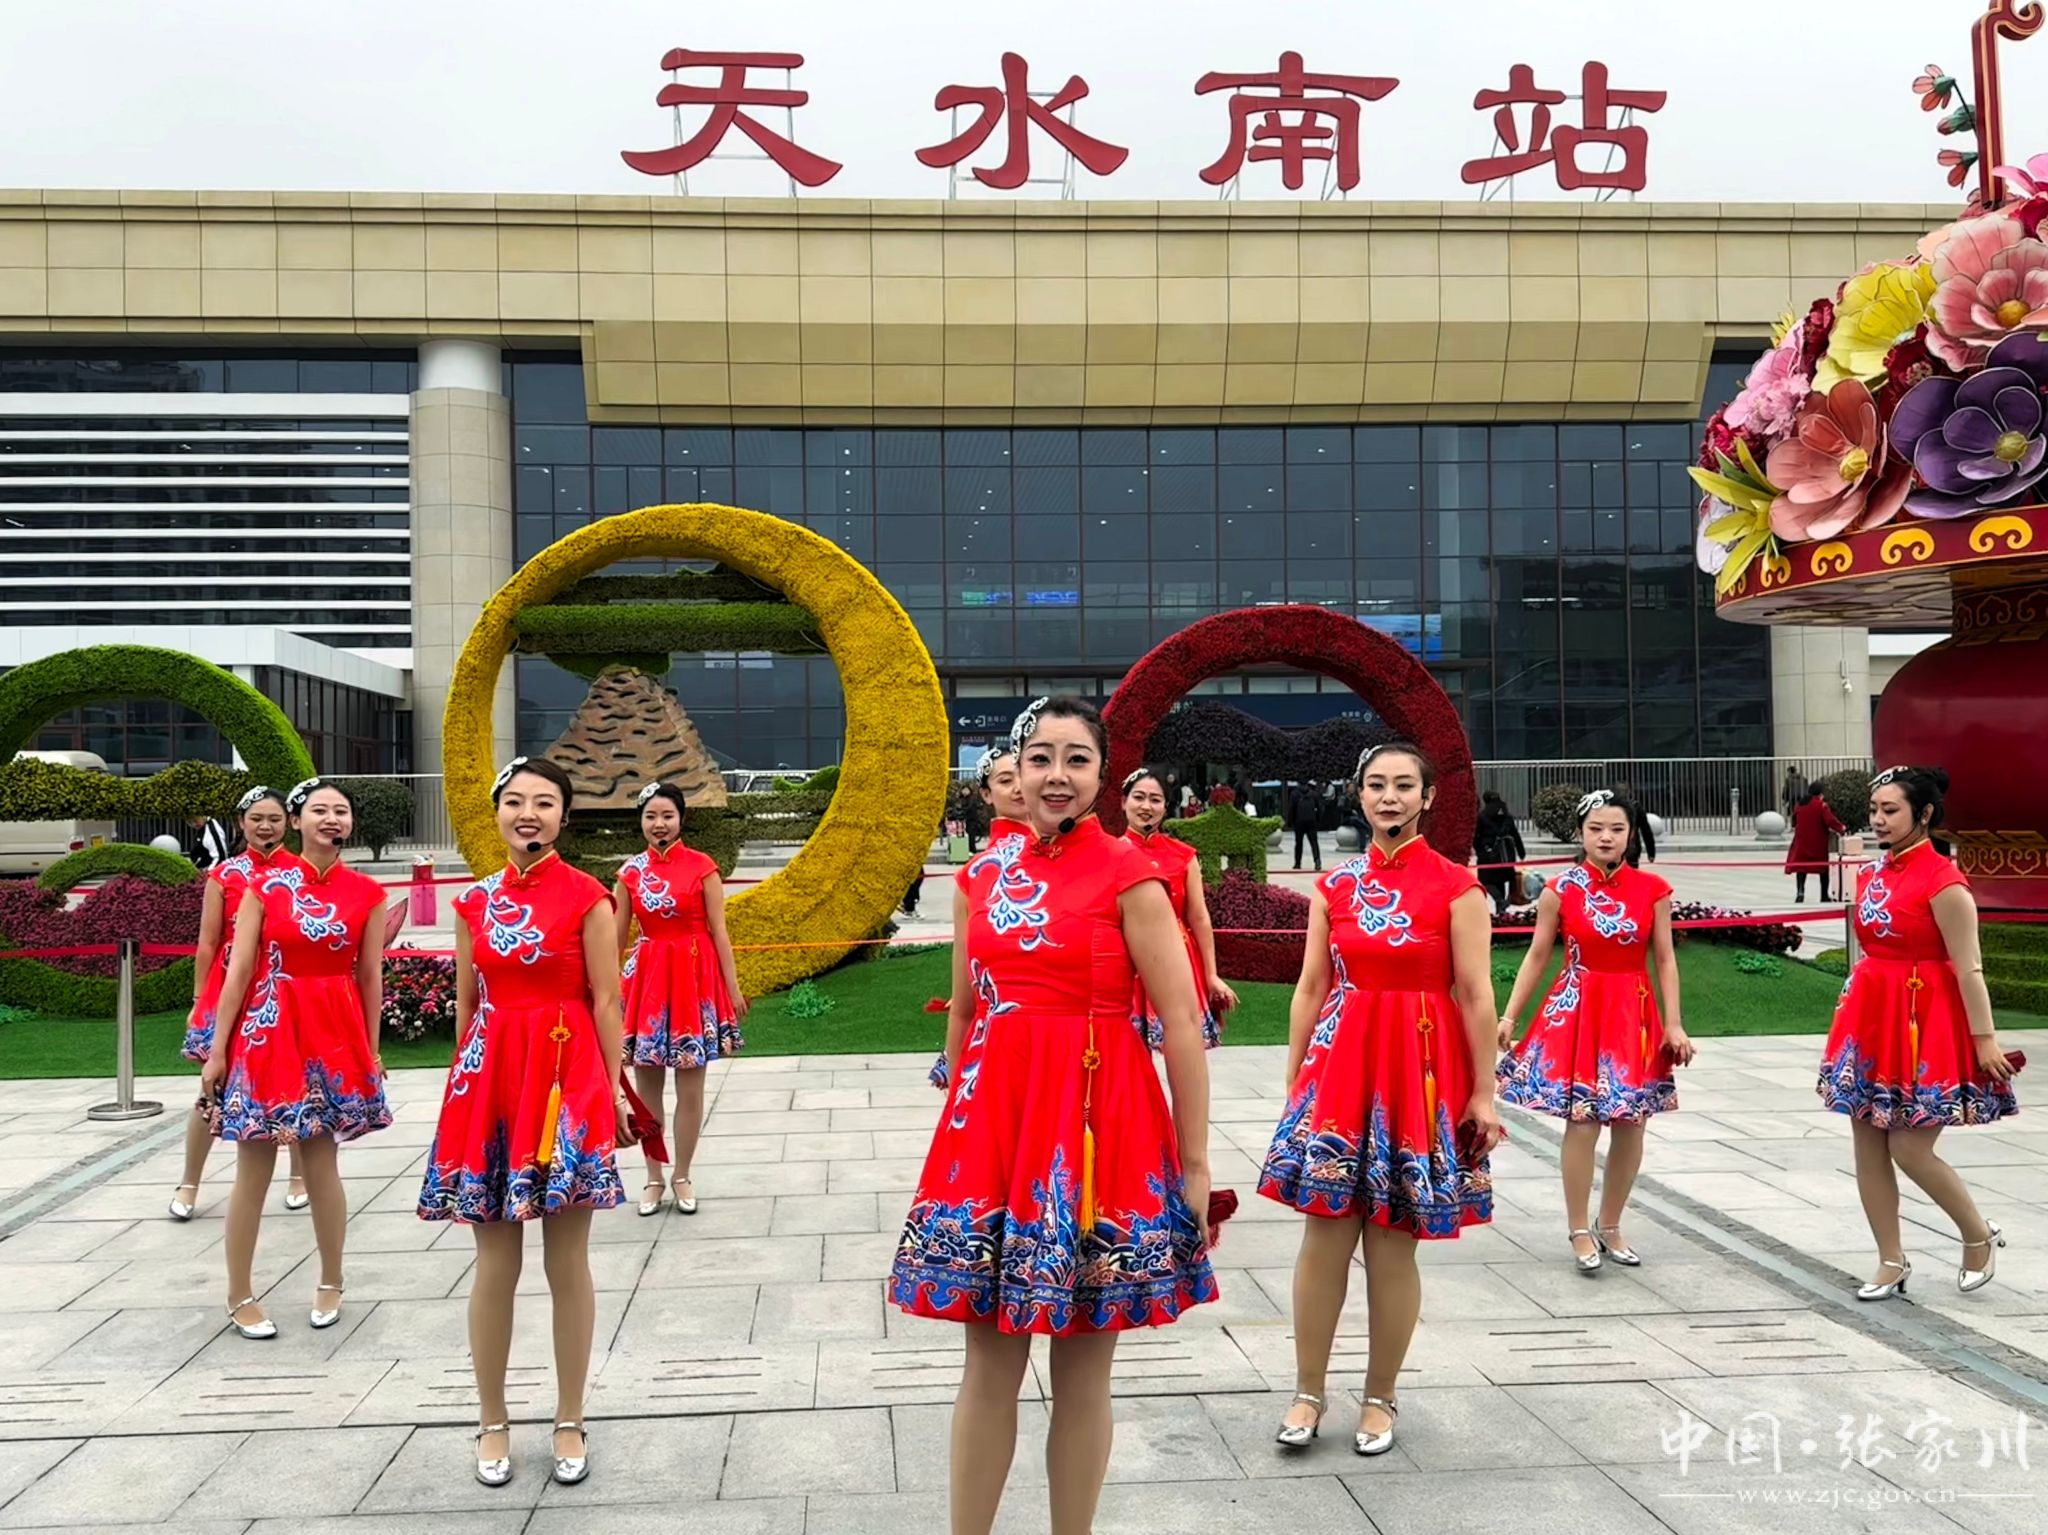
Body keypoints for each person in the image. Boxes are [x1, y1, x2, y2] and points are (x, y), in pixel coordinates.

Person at [891, 696, 1217, 1535]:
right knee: (987, 1364)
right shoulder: (979, 877)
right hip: (993, 1123)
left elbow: (1181, 1020)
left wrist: (1195, 1162)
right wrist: (957, 1124)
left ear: (1104, 776)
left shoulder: (1130, 874)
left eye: (1077, 758)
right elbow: (966, 1010)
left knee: (1083, 1369)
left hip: (1099, 1122)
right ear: (1015, 770)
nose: (1057, 774)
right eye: (1040, 757)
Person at [1262, 742, 1502, 1457]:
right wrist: (1296, 1072)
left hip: (1420, 1072)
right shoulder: (1334, 887)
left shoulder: (1458, 887)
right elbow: (1312, 985)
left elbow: (1475, 992)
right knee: (1323, 1239)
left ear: (1427, 796)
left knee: (1394, 1247)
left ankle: (1380, 1394)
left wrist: (1483, 1092)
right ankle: (1307, 1390)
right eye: (1376, 784)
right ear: (1359, 795)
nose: (1389, 796)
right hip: (1339, 1070)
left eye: (1403, 785)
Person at [418, 756, 627, 1488]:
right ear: (497, 811)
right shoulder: (474, 902)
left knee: (566, 1262)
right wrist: (461, 1092)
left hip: (566, 1087)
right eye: (515, 801)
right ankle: (493, 1418)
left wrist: (617, 1091)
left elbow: (606, 1000)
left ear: (565, 816)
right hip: (491, 1083)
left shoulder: (589, 897)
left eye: (544, 802)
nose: (528, 813)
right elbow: (469, 1006)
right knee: (494, 1264)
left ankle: (569, 1415)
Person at [201, 777, 390, 1340]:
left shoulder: (367, 893)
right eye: (320, 810)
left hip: (333, 1033)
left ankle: (332, 1278)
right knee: (252, 1167)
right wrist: (217, 1050)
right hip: (268, 1028)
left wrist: (371, 1049)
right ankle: (239, 1293)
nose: (332, 819)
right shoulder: (266, 887)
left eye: (342, 811)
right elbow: (237, 971)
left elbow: (370, 974)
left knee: (321, 1161)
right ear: (299, 819)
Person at [1820, 765, 2017, 1302]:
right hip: (1870, 1014)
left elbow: (1969, 967)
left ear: (1924, 814)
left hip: (1924, 1019)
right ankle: (1890, 1260)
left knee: (1909, 1146)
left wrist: (1984, 1038)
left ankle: (1977, 1235)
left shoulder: (1945, 882)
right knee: (1866, 1140)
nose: (1878, 820)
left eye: (1891, 811)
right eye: (1875, 810)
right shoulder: (1873, 873)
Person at [1496, 790, 1697, 1273]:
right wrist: (1508, 1015)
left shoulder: (1654, 890)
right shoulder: (1560, 889)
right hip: (1579, 1008)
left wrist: (1674, 1022)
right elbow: (1538, 955)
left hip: (1634, 1012)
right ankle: (1578, 1228)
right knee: (1582, 1122)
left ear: (1631, 835)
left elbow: (1665, 959)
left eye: (1617, 829)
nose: (1606, 838)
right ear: (1580, 834)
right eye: (1595, 829)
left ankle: (1611, 1224)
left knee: (1632, 1123)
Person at [170, 786, 310, 1223]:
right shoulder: (225, 874)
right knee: (212, 1090)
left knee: (300, 1086)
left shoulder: (304, 872)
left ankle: (299, 1177)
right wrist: (198, 1000)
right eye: (256, 818)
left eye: (274, 818)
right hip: (228, 991)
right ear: (240, 823)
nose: (265, 826)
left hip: (285, 990)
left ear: (289, 822)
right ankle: (190, 1182)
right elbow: (208, 941)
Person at [614, 781, 745, 1218]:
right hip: (648, 982)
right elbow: (614, 938)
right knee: (647, 1088)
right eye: (651, 816)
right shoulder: (629, 873)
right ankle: (652, 1177)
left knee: (691, 1089)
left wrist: (732, 986)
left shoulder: (703, 867)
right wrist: (607, 989)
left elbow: (719, 932)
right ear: (642, 821)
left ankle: (683, 1174)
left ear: (681, 819)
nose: (659, 824)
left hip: (693, 979)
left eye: (667, 815)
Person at [930, 745, 1029, 1091]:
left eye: (1024, 774)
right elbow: (963, 1000)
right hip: (999, 1043)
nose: (1018, 786)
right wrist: (957, 1080)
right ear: (986, 794)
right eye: (1005, 780)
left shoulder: (1082, 860)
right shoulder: (974, 876)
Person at [1120, 765, 1236, 1049]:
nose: (1146, 806)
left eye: (1155, 799)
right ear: (1123, 802)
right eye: (1138, 797)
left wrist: (1211, 975)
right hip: (1123, 958)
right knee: (1127, 1053)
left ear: (1165, 806)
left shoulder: (1183, 856)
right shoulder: (1108, 855)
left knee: (1182, 1049)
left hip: (1178, 960)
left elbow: (1199, 918)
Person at [1786, 784, 1846, 903]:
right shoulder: (1821, 805)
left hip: (1801, 842)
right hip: (1817, 842)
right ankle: (1824, 895)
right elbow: (1830, 820)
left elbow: (1793, 822)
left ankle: (1800, 892)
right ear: (1820, 793)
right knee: (1823, 869)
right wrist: (1841, 828)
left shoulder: (1800, 805)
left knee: (1801, 869)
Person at [1473, 790, 1527, 917]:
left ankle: (1500, 901)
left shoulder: (1482, 816)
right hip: (1506, 854)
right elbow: (1515, 834)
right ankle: (1501, 912)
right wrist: (1521, 852)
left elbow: (1476, 836)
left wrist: (1479, 850)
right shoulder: (1507, 816)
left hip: (1488, 854)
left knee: (1485, 881)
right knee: (1501, 881)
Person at [1289, 780, 1323, 872]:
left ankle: (1297, 863)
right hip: (1311, 821)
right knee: (1314, 843)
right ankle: (1317, 862)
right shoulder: (1313, 794)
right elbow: (1319, 808)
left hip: (1299, 821)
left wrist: (1290, 822)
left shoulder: (1294, 794)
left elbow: (1292, 808)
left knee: (1298, 843)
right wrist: (1318, 820)